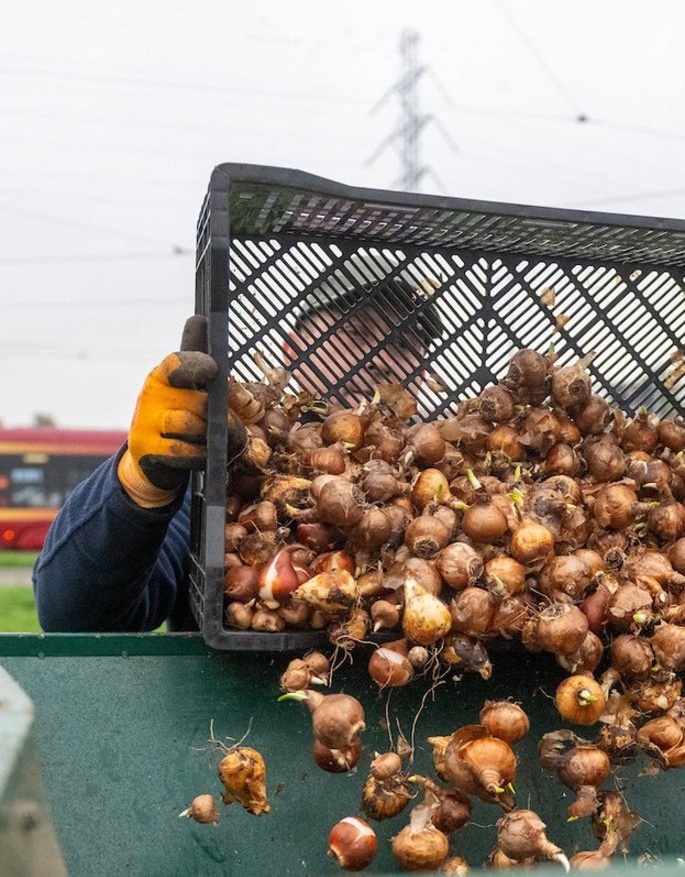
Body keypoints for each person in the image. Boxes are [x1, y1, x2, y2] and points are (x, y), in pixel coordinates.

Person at [32, 266, 442, 633]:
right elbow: (76, 618)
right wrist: (140, 488)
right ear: (293, 349)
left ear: (423, 371)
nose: (379, 359)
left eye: (404, 344)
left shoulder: (437, 478)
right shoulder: (217, 471)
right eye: (356, 334)